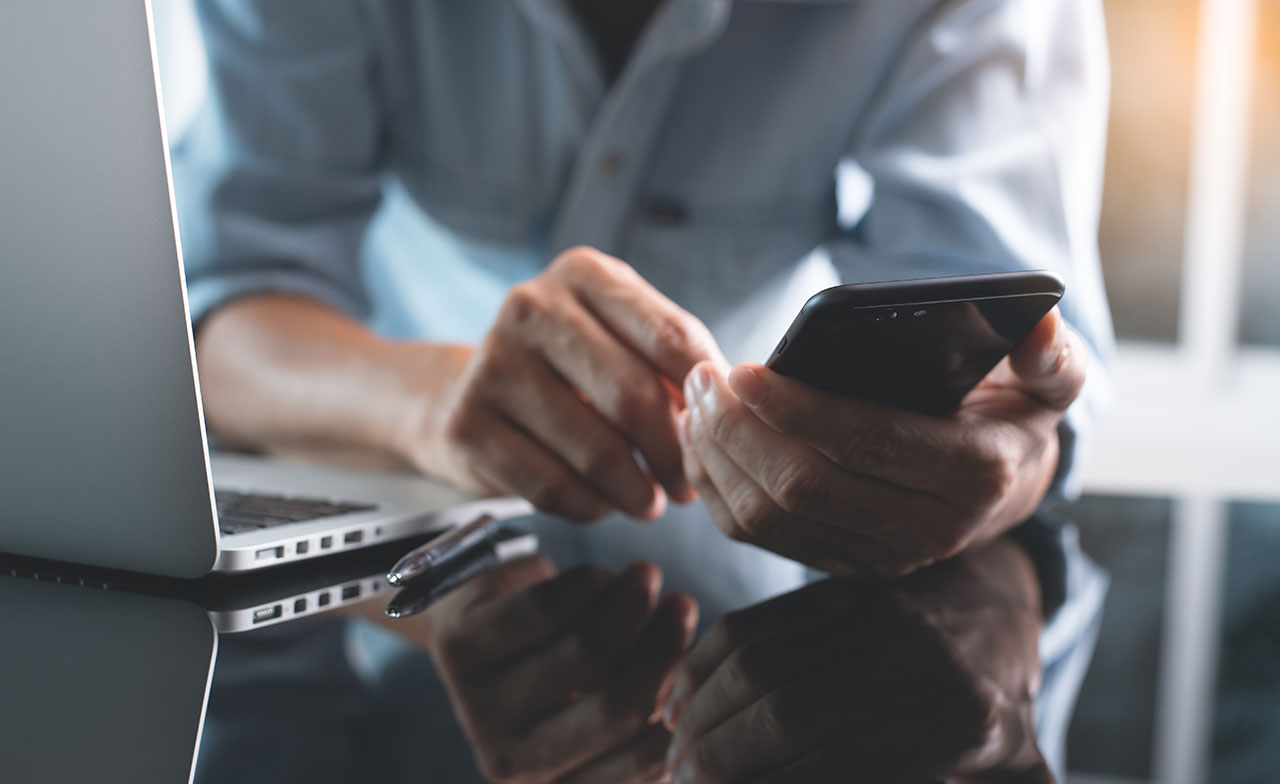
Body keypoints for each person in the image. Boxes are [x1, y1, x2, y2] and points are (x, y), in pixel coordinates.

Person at [174, 0, 1113, 781]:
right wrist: (433, 401)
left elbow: (1010, 370)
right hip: (403, 518)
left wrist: (1011, 459)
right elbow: (213, 312)